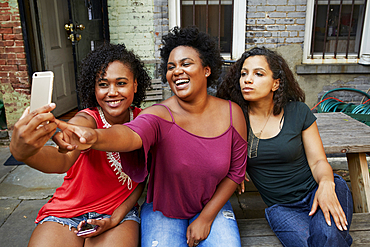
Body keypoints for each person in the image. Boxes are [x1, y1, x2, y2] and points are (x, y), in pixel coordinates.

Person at [54, 26, 248, 247]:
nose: (176, 71)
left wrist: (206, 217)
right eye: (171, 67)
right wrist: (95, 136)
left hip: (213, 205)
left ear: (206, 69)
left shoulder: (233, 114)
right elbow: (129, 134)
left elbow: (235, 172)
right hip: (163, 208)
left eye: (186, 64)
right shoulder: (158, 113)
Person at [9, 43, 152, 247]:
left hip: (117, 213)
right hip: (66, 212)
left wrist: (115, 218)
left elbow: (140, 181)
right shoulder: (87, 119)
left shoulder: (145, 121)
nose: (112, 92)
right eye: (103, 84)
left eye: (121, 83)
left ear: (135, 85)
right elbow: (63, 159)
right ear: (93, 88)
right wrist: (25, 153)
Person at [217, 47, 354, 247]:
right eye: (244, 74)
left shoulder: (298, 112)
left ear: (276, 83)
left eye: (258, 74)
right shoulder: (234, 118)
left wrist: (326, 184)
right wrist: (235, 168)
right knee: (322, 241)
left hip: (317, 189)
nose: (247, 79)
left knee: (326, 237)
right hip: (282, 209)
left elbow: (318, 161)